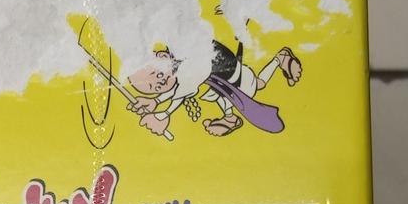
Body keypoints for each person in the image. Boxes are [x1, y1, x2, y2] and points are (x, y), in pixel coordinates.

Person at [126, 40, 298, 138]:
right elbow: (178, 88)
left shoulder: (184, 64)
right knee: (224, 93)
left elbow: (181, 91)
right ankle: (229, 117)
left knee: (257, 84)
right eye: (156, 87)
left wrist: (163, 114)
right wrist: (155, 102)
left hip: (231, 75)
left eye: (157, 74)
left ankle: (280, 58)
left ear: (162, 56)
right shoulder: (178, 64)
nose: (161, 82)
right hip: (220, 78)